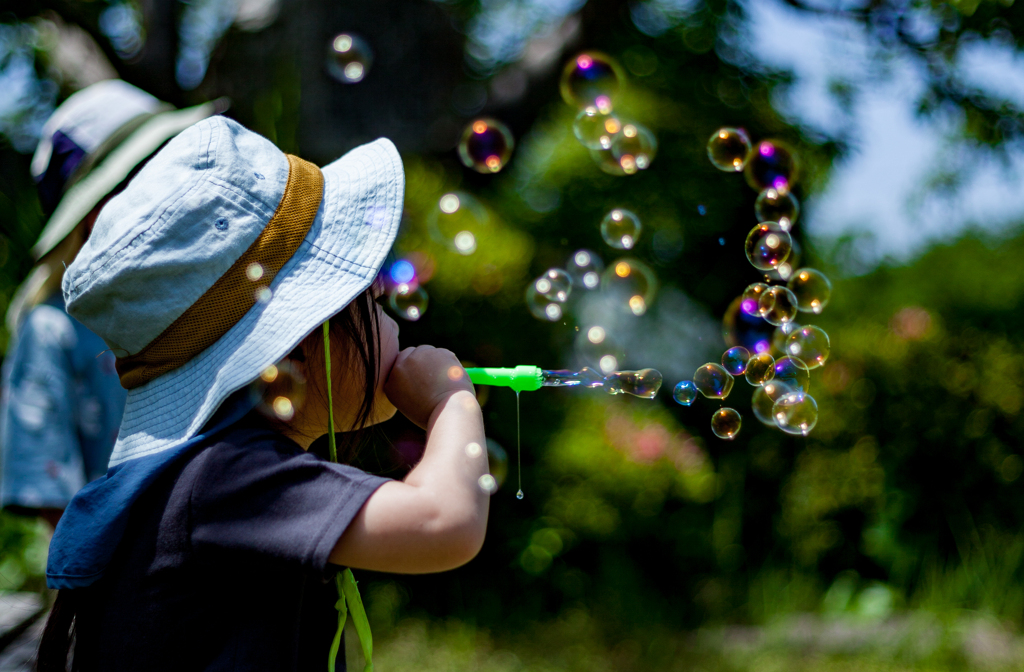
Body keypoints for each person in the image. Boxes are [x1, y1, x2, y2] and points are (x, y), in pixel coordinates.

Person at [37, 115, 490, 671]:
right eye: (369, 301)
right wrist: (452, 403)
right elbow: (443, 523)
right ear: (296, 342)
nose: (390, 315)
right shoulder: (223, 480)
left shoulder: (208, 477)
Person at [0, 80, 221, 529]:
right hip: (124, 585)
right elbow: (54, 504)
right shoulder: (52, 330)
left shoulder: (198, 287)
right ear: (95, 214)